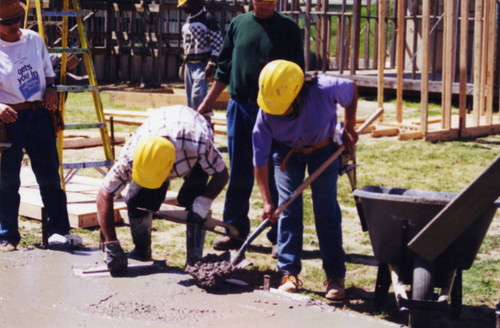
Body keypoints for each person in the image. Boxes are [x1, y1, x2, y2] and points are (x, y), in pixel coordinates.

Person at [197, 0, 305, 255]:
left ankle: (279, 236)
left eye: (270, 0)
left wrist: (296, 115)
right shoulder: (238, 25)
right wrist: (204, 106)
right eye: (260, 0)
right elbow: (223, 70)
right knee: (240, 170)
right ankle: (234, 230)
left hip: (274, 111)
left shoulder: (288, 28)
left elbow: (297, 74)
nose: (265, 4)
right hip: (240, 109)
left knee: (277, 171)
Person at [252, 60, 358, 300]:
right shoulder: (267, 110)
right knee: (287, 208)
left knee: (326, 210)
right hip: (287, 153)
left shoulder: (324, 88)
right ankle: (288, 273)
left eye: (284, 108)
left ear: (298, 94)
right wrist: (267, 202)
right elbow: (259, 159)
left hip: (324, 149)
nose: (277, 113)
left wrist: (350, 126)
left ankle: (335, 276)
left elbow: (351, 90)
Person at [96, 105, 228, 272]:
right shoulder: (131, 155)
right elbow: (104, 194)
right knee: (137, 200)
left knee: (193, 202)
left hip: (188, 139)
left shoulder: (198, 143)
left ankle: (194, 262)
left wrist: (203, 203)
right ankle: (142, 251)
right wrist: (111, 244)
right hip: (160, 132)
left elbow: (222, 174)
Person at [0, 0, 81, 252]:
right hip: (8, 120)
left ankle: (59, 231)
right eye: (7, 22)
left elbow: (48, 70)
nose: (15, 25)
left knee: (50, 177)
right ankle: (7, 236)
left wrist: (52, 88)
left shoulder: (34, 40)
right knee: (7, 181)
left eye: (17, 19)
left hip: (39, 116)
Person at [178, 0, 223, 111]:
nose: (183, 8)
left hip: (202, 65)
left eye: (185, 4)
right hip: (189, 65)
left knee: (198, 97)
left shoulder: (207, 18)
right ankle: (194, 125)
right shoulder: (188, 21)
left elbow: (218, 43)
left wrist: (212, 63)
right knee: (190, 100)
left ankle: (204, 123)